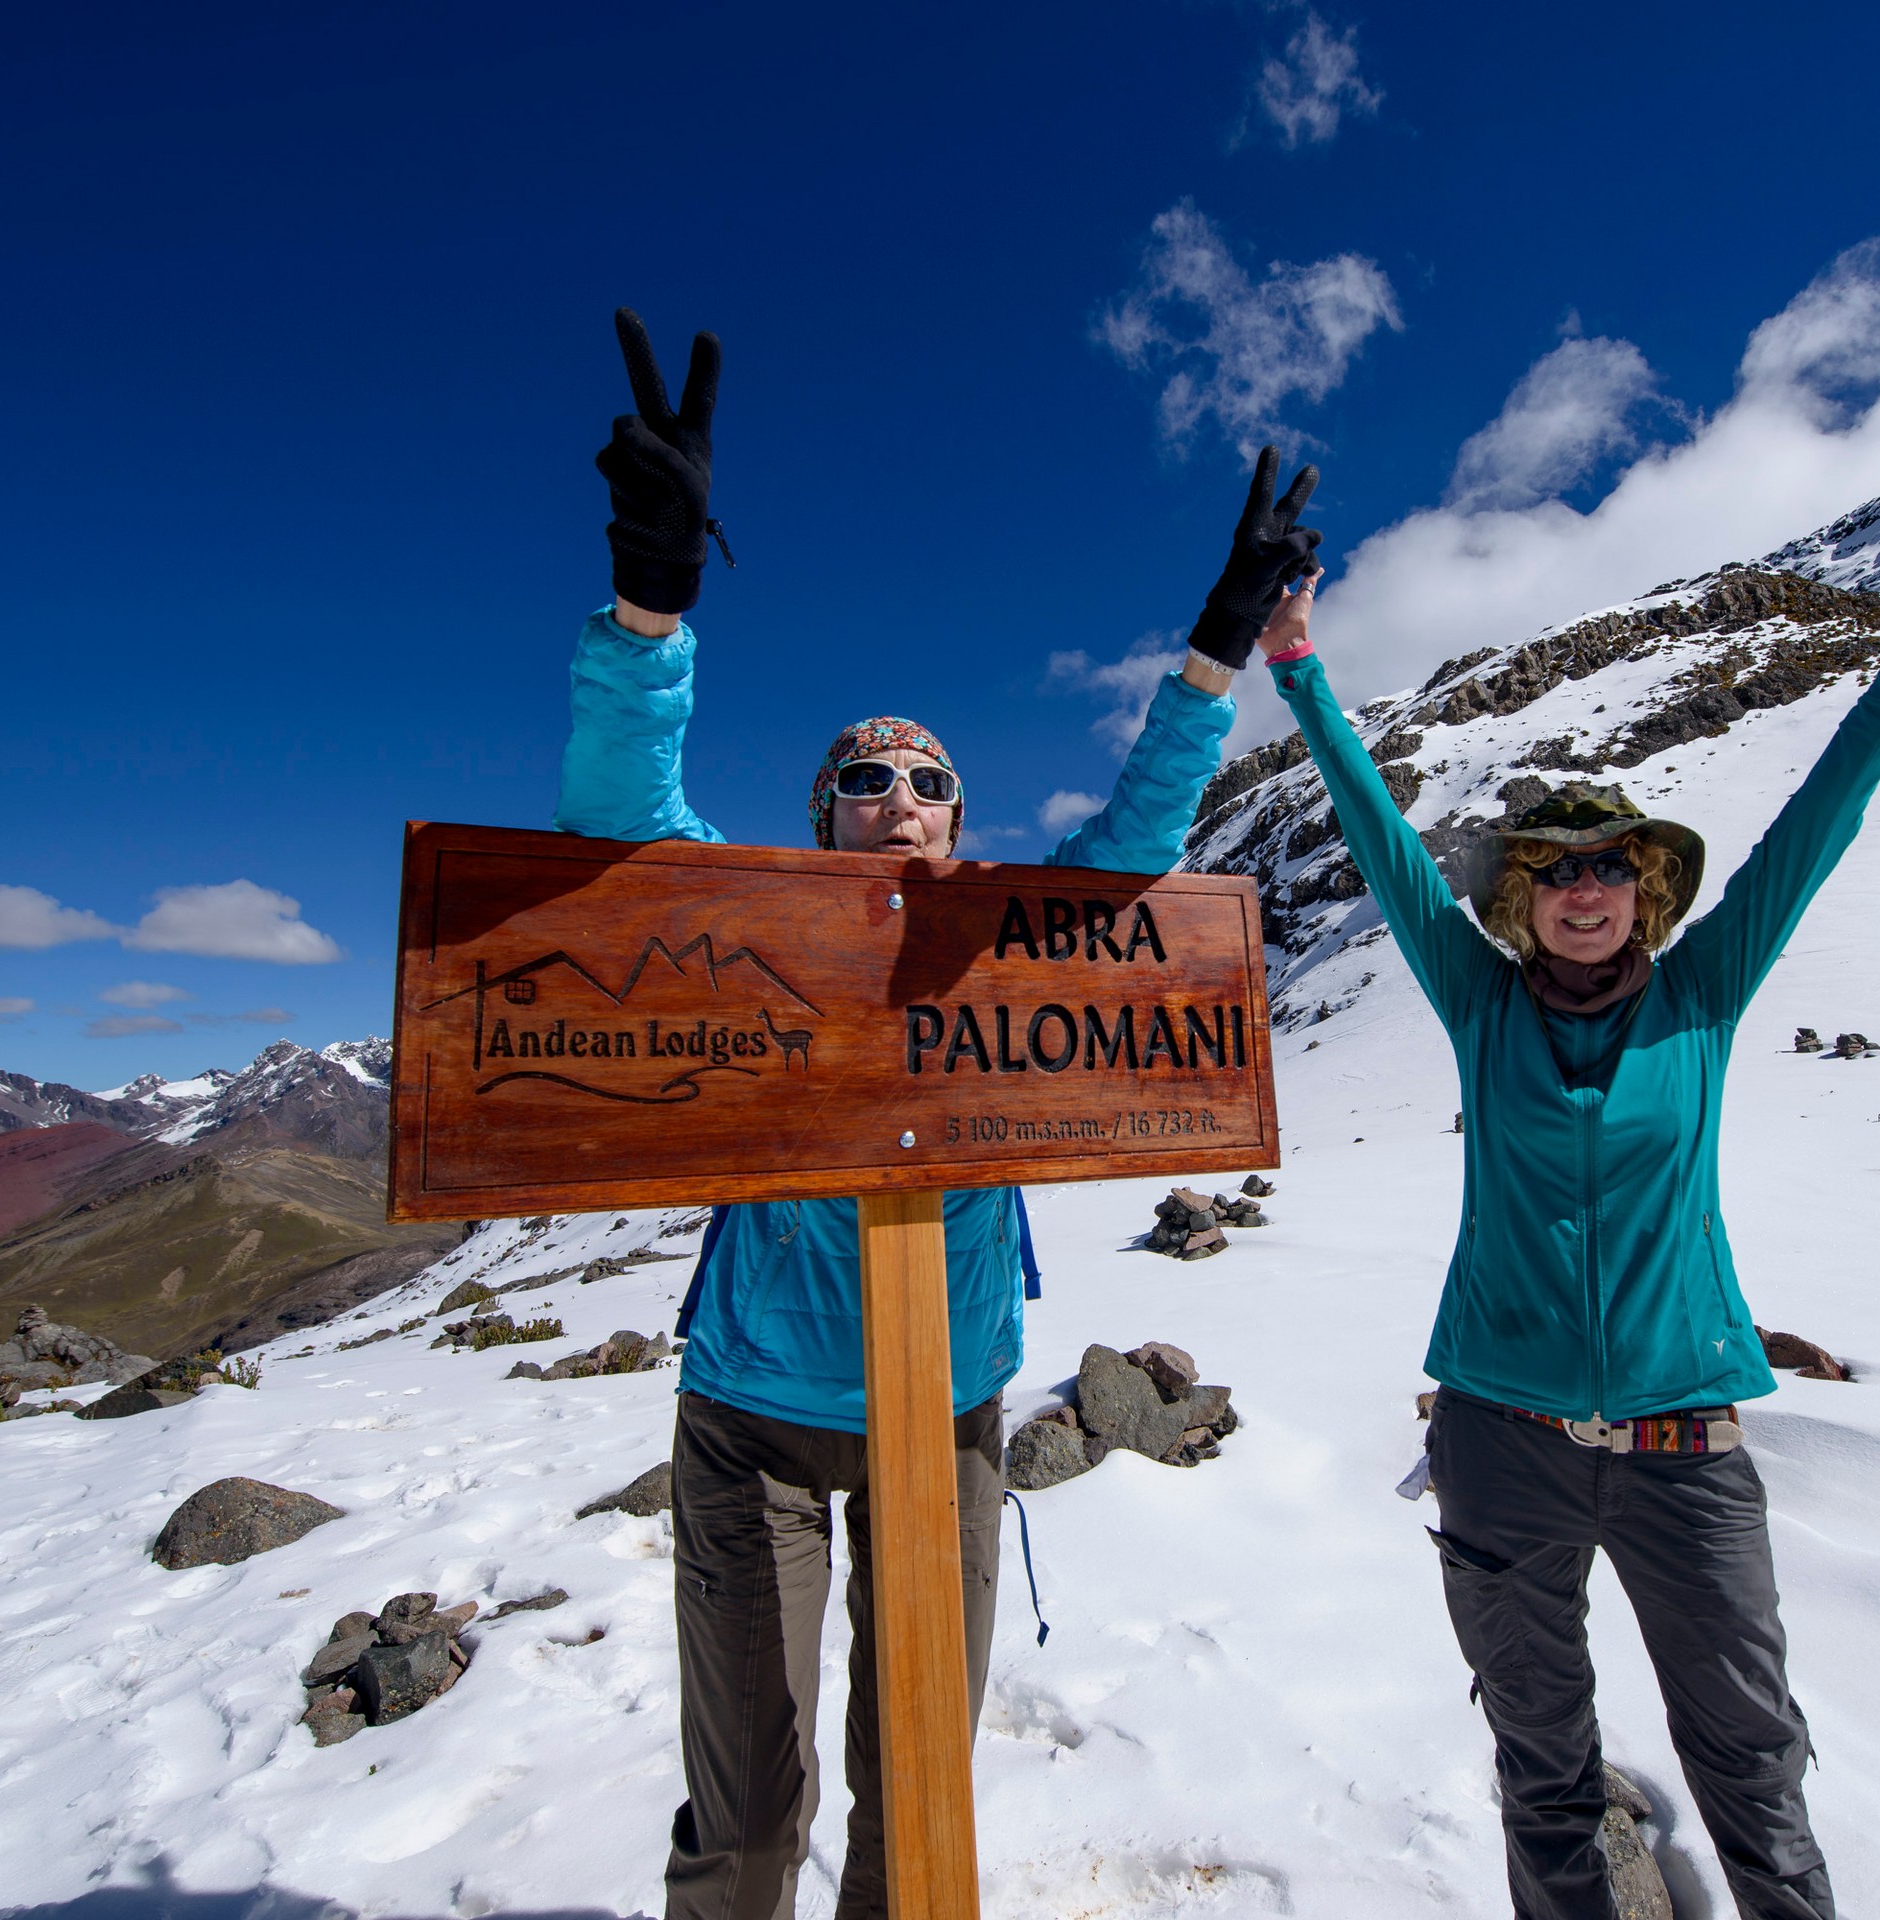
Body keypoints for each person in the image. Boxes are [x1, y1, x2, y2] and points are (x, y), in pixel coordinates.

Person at [550, 310, 1322, 1920]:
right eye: (861, 782)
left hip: (950, 1415)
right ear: (818, 818)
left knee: (921, 1819)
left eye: (925, 784)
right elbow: (623, 817)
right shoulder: (746, 931)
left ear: (963, 825)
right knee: (750, 1822)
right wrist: (653, 597)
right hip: (753, 1421)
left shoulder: (1013, 942)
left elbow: (1134, 841)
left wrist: (1218, 645)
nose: (894, 800)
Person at [1252, 501, 1880, 1920]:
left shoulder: (1704, 997)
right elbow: (1380, 843)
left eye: (1609, 863)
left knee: (1750, 1757)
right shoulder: (1477, 1006)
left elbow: (1822, 817)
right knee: (1542, 1764)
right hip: (1501, 1439)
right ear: (1519, 896)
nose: (1583, 888)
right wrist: (1302, 669)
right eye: (1554, 868)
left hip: (1689, 1447)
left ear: (1648, 887)